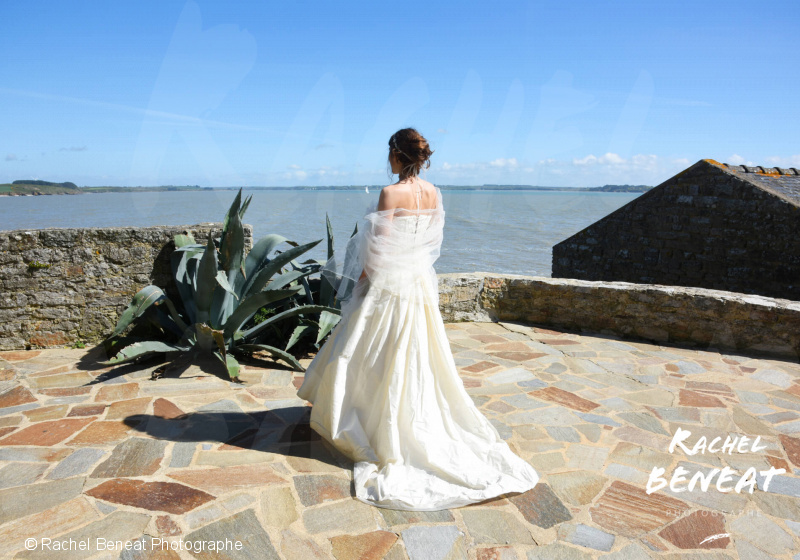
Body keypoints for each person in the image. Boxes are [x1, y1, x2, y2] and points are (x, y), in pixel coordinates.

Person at [296, 127, 539, 511]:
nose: (387, 159)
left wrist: (362, 283)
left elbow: (377, 251)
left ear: (397, 155)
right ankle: (404, 414)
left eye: (389, 153)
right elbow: (429, 244)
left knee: (370, 350)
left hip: (390, 285)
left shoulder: (390, 193)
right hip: (419, 283)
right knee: (417, 354)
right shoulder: (434, 193)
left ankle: (373, 419)